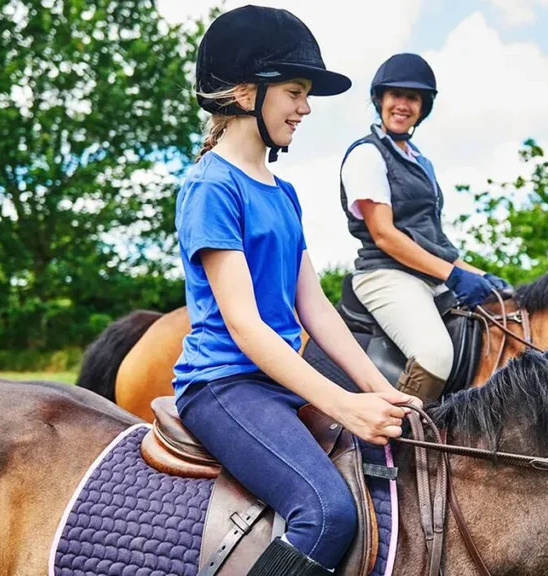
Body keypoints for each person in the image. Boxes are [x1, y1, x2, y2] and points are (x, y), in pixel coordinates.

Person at [173, 7, 420, 574]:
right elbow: (245, 324)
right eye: (294, 92)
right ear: (243, 93)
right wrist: (343, 406)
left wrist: (377, 388)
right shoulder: (210, 185)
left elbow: (313, 305)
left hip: (277, 379)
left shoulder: (283, 192)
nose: (306, 108)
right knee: (328, 512)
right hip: (224, 385)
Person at [340, 53, 512, 402]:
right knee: (434, 354)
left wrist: (479, 275)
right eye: (395, 96)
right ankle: (397, 445)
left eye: (412, 97)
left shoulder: (421, 161)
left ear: (423, 106)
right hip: (385, 274)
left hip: (425, 276)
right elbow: (385, 235)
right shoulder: (366, 155)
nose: (402, 105)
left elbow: (433, 240)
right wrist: (452, 276)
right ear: (380, 100)